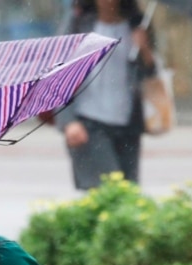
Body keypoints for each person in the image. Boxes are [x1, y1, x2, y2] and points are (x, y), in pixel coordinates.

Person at [55, 0, 155, 191]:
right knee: (105, 191)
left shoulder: (138, 23)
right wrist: (68, 121)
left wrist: (145, 49)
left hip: (128, 122)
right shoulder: (78, 22)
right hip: (88, 120)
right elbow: (60, 74)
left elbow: (150, 75)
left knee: (128, 193)